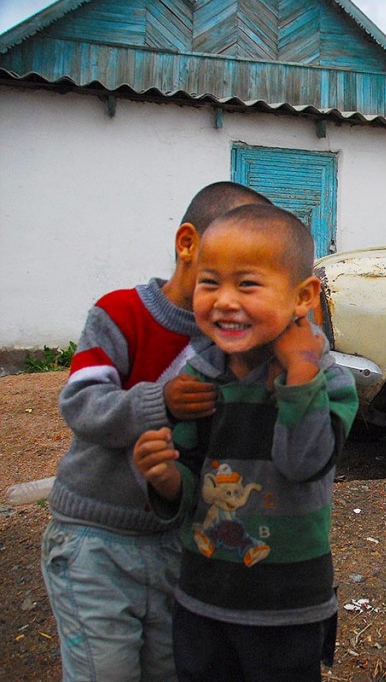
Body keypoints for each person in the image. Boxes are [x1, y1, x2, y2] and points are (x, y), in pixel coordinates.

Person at [42, 182, 271, 682]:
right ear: (188, 244)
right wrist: (158, 401)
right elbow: (81, 404)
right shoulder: (120, 314)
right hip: (94, 540)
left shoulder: (232, 346)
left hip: (174, 545)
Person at [133, 203, 358, 681]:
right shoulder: (200, 377)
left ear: (303, 297)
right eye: (209, 283)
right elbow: (193, 486)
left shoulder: (328, 382)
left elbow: (303, 464)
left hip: (287, 605)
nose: (224, 301)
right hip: (202, 598)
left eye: (248, 284)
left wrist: (299, 373)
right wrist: (166, 477)